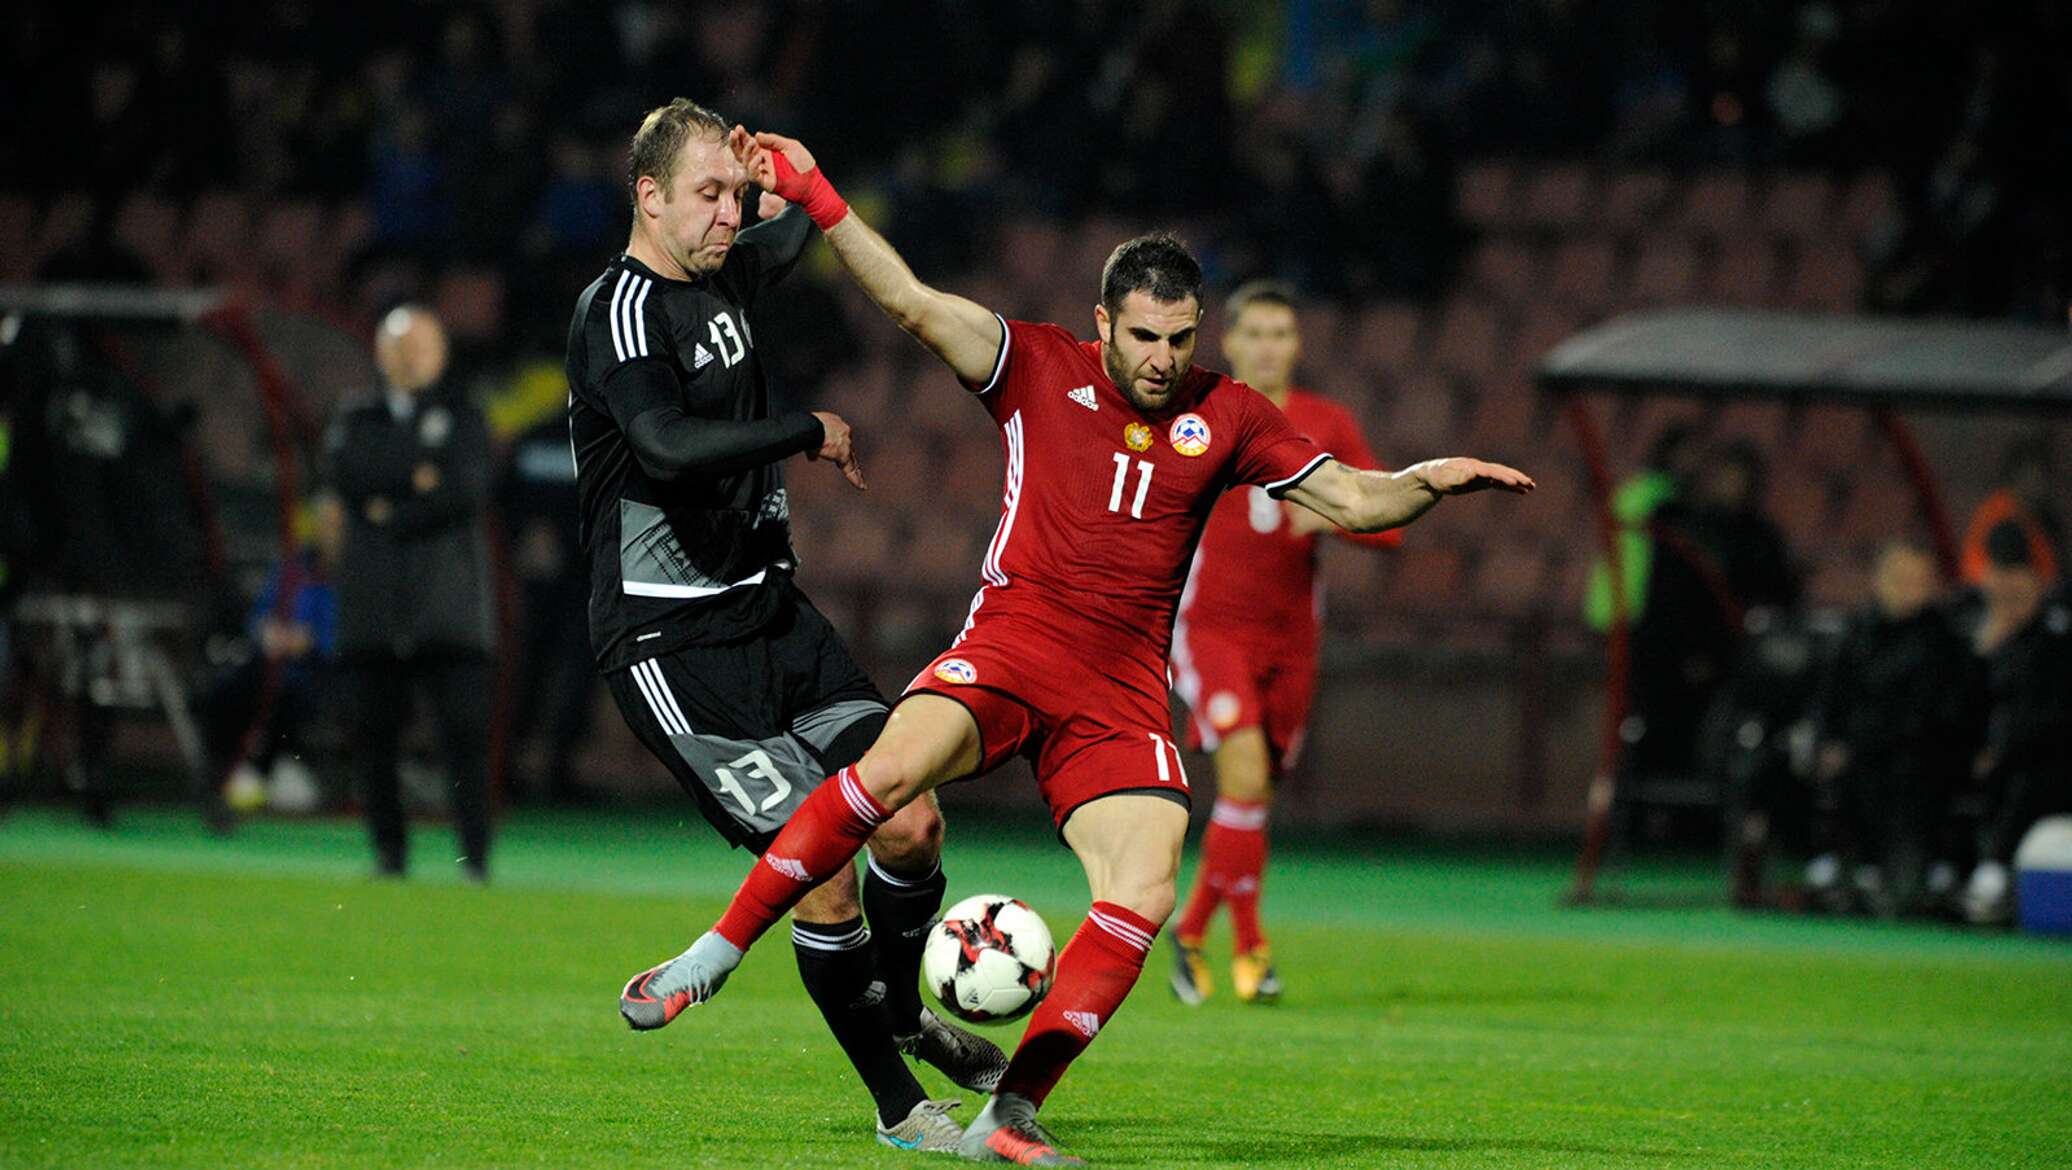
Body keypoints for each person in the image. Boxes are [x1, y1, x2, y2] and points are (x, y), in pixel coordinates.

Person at [621, 127, 1532, 1165]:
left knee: (1143, 888)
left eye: (1180, 339)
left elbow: (1357, 500)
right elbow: (913, 303)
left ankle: (1004, 1113)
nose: (1161, 360)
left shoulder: (1229, 414)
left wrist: (1430, 479)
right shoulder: (1033, 364)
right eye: (1144, 337)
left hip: (1120, 691)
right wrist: (821, 197)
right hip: (1011, 643)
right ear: (1104, 322)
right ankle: (711, 954)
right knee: (890, 778)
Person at [565, 99, 1002, 1153]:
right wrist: (805, 427)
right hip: (673, 643)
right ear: (648, 196)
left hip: (772, 612)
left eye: (732, 192)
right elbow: (664, 446)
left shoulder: (720, 270)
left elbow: (800, 231)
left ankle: (901, 1009)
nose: (728, 215)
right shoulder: (619, 310)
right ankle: (901, 1108)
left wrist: (796, 181)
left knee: (911, 815)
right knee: (821, 860)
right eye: (707, 195)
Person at [1166, 281, 1400, 1007]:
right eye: (1256, 333)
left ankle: (1193, 929)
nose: (1269, 346)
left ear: (1297, 345)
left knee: (1253, 798)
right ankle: (1256, 947)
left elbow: (1388, 520)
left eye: (1282, 333)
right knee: (1241, 778)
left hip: (1292, 637)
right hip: (1210, 630)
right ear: (1228, 342)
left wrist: (1330, 519)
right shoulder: (1196, 416)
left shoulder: (1326, 423)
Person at [324, 305, 495, 880]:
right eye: (398, 346)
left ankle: (475, 860)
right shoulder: (354, 416)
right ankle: (389, 858)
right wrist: (420, 478)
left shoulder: (465, 416)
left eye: (419, 345)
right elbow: (350, 474)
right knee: (374, 742)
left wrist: (387, 504)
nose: (408, 356)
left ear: (441, 353)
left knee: (465, 742)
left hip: (450, 612)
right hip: (374, 610)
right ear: (379, 354)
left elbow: (463, 490)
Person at [1800, 539, 1976, 916]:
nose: (1907, 590)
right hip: (1856, 755)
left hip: (1913, 762)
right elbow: (1828, 700)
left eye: (1918, 581)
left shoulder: (1943, 644)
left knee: (1899, 773)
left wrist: (1857, 745)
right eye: (1899, 579)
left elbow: (1941, 717)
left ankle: (1885, 869)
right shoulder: (1857, 634)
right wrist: (1825, 742)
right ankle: (1829, 863)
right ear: (1878, 581)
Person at [1961, 522, 2072, 924]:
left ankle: (1992, 874)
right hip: (1987, 758)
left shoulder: (2055, 640)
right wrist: (1984, 654)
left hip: (2040, 762)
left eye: (2018, 582)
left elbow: (2054, 719)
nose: (2008, 591)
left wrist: (2002, 752)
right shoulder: (1974, 633)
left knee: (2029, 777)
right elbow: (1960, 709)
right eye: (2000, 579)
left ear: (2038, 584)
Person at [207, 497, 341, 816]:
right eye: (323, 523)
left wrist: (311, 642)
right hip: (271, 664)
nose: (328, 531)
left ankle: (255, 777)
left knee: (291, 702)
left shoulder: (352, 577)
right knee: (225, 692)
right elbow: (262, 615)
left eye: (335, 525)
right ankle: (219, 778)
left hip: (318, 673)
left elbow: (345, 635)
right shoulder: (292, 568)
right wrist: (267, 631)